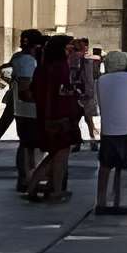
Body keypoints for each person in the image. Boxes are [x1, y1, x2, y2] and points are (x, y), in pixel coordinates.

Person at [29, 35, 81, 201]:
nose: (71, 50)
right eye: (68, 47)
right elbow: (62, 92)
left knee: (55, 154)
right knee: (59, 156)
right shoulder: (60, 67)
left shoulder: (43, 67)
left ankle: (40, 186)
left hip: (46, 115)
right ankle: (53, 189)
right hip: (60, 116)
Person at [93, 51, 127, 215]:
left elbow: (98, 101)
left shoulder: (101, 80)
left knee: (105, 165)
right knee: (122, 166)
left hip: (108, 128)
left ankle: (100, 201)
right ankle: (117, 200)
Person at [6, 31, 45, 196]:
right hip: (28, 110)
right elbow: (25, 88)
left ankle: (26, 178)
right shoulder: (28, 61)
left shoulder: (18, 57)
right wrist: (40, 100)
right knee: (28, 145)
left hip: (22, 109)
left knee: (27, 144)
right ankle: (26, 179)